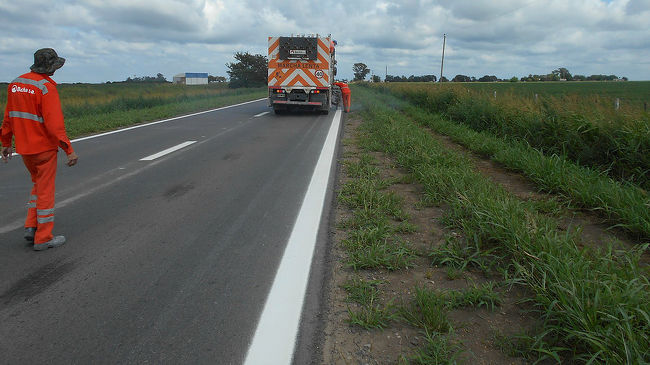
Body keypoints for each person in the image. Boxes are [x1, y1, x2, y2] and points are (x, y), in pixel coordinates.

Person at [1, 48, 79, 251]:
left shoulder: (16, 84)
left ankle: (31, 226)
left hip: (24, 149)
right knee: (45, 192)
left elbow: (8, 117)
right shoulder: (45, 87)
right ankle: (43, 238)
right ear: (50, 67)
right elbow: (54, 124)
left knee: (37, 185)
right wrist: (68, 149)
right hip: (43, 149)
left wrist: (6, 142)